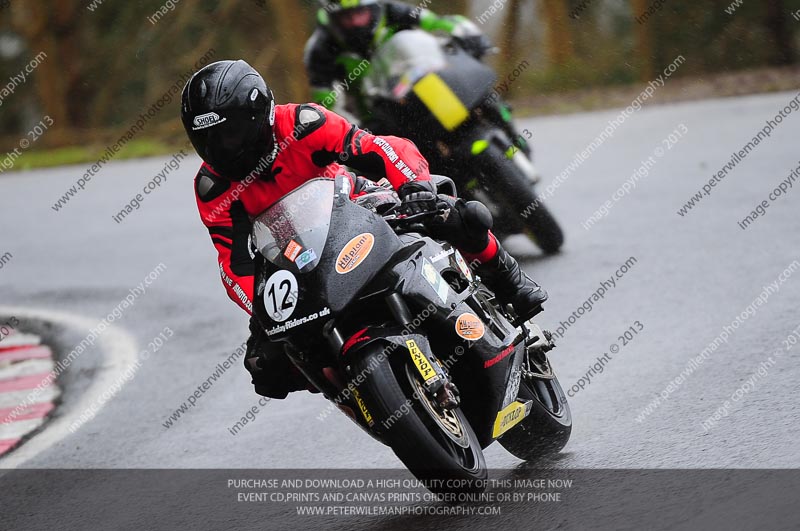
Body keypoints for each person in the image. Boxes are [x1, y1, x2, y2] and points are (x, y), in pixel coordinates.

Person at [180, 59, 547, 398]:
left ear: (259, 116)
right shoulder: (212, 188)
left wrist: (414, 186)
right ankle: (362, 394)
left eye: (230, 135)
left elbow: (380, 149)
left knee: (454, 214)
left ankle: (509, 278)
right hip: (293, 259)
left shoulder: (302, 124)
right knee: (267, 366)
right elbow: (235, 265)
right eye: (208, 141)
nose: (222, 149)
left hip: (359, 205)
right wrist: (264, 312)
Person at [304, 0, 531, 154]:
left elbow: (437, 21)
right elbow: (325, 101)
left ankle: (510, 131)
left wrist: (469, 35)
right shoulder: (320, 50)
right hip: (379, 113)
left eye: (360, 14)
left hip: (424, 80)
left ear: (372, 8)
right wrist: (347, 127)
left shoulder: (392, 10)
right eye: (347, 18)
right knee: (407, 158)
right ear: (333, 20)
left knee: (481, 93)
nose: (355, 23)